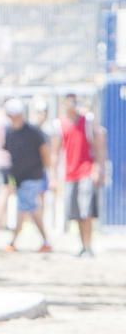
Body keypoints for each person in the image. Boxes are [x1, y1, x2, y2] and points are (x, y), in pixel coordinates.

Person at [52, 94, 106, 257]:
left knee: (86, 211)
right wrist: (54, 177)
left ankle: (88, 246)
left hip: (86, 171)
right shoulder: (60, 124)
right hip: (70, 174)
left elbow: (98, 147)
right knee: (75, 213)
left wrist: (98, 168)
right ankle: (83, 245)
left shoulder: (87, 122)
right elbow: (55, 151)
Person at [3, 99, 51, 252]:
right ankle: (43, 241)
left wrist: (47, 170)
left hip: (33, 176)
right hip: (20, 178)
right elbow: (10, 155)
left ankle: (15, 242)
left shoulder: (33, 131)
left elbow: (44, 152)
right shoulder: (9, 132)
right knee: (28, 208)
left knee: (27, 207)